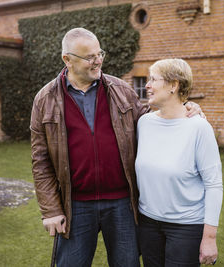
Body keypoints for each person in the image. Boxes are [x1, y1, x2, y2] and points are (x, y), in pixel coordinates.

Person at [30, 28, 202, 267]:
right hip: (75, 205)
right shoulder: (45, 99)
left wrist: (185, 108)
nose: (98, 60)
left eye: (99, 53)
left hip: (122, 203)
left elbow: (152, 121)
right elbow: (41, 161)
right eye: (89, 56)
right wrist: (50, 210)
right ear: (67, 60)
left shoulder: (121, 90)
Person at [135, 58, 223, 267]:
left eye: (153, 79)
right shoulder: (144, 123)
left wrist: (209, 238)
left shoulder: (198, 128)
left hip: (185, 227)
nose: (147, 85)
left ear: (174, 85)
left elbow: (213, 184)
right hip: (147, 224)